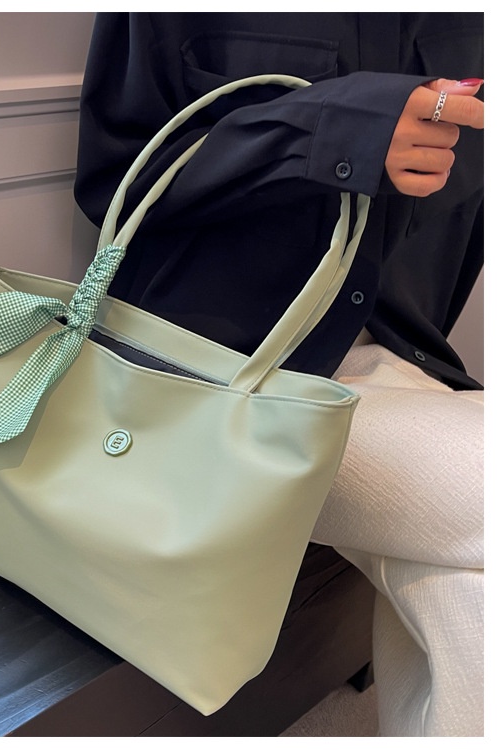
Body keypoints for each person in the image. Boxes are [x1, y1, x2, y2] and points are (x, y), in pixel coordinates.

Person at [73, 13, 484, 737]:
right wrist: (325, 131)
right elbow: (120, 182)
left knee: (470, 595)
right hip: (218, 378)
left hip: (399, 361)